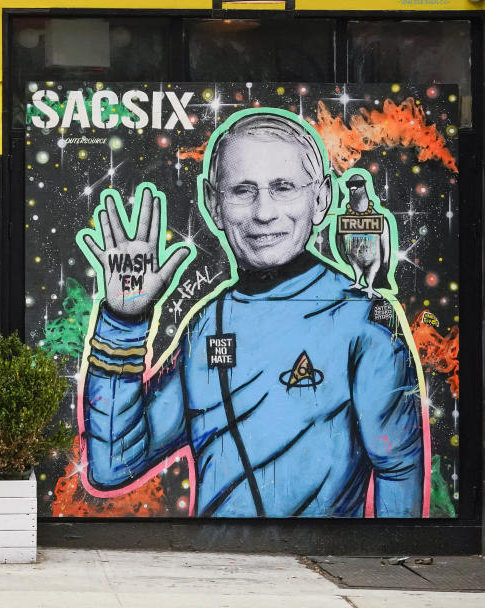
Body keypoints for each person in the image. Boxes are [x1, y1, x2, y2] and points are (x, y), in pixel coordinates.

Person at [81, 110, 426, 518]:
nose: (264, 213)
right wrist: (123, 322)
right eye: (243, 190)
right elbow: (114, 465)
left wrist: (380, 568)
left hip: (316, 569)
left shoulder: (365, 318)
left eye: (283, 188)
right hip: (214, 574)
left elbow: (398, 468)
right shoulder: (207, 325)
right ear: (214, 203)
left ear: (321, 199)